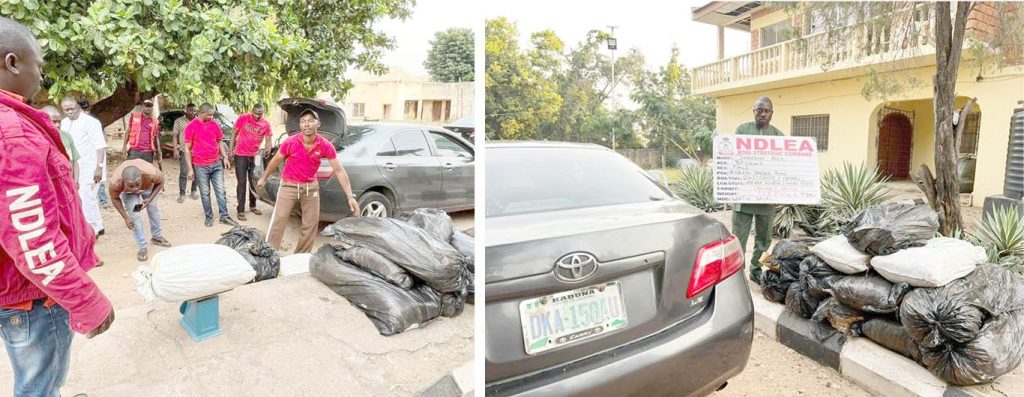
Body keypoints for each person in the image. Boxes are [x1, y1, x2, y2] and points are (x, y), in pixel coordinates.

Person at [0, 16, 115, 396]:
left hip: (20, 289)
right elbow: (32, 236)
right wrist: (87, 301)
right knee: (39, 385)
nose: (41, 76)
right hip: (33, 298)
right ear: (13, 62)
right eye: (39, 66)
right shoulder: (11, 134)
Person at [257, 109, 359, 253]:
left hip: (310, 187)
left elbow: (339, 170)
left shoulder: (325, 145)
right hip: (289, 185)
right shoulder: (291, 142)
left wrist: (350, 196)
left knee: (310, 224)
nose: (307, 124)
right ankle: (270, 253)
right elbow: (275, 160)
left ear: (318, 124)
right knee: (279, 220)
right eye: (303, 121)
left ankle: (300, 256)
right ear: (300, 125)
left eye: (311, 121)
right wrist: (263, 178)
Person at [731, 96, 784, 284]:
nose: (762, 114)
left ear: (771, 113)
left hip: (766, 201)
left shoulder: (779, 136)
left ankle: (755, 268)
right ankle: (736, 272)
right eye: (758, 110)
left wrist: (779, 192)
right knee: (738, 240)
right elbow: (733, 159)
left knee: (764, 240)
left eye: (766, 110)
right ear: (753, 111)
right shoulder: (742, 130)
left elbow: (783, 168)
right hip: (744, 200)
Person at [185, 103, 238, 227]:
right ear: (201, 113)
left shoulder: (214, 124)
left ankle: (224, 216)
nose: (211, 117)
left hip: (216, 163)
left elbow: (219, 141)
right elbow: (187, 149)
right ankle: (209, 217)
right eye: (209, 115)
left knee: (220, 191)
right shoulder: (191, 127)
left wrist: (224, 157)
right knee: (205, 193)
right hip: (200, 166)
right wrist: (189, 169)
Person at [108, 159, 172, 261]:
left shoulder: (151, 173)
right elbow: (115, 198)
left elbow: (161, 181)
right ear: (123, 182)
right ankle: (142, 246)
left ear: (141, 177)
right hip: (129, 195)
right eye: (131, 186)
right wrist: (126, 218)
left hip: (148, 188)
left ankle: (157, 237)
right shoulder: (115, 183)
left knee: (153, 210)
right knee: (135, 216)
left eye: (137, 184)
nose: (135, 189)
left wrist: (150, 199)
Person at [60, 97, 106, 237]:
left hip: (90, 167)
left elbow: (100, 146)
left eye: (72, 109)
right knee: (85, 197)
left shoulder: (91, 122)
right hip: (74, 168)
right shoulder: (63, 123)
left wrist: (99, 167)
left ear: (78, 107)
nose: (69, 112)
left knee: (87, 198)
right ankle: (99, 225)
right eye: (66, 110)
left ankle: (92, 230)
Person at [228, 104, 271, 221]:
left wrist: (268, 149)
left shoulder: (266, 124)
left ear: (263, 113)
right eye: (255, 113)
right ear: (252, 111)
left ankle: (253, 206)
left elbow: (268, 140)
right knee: (241, 182)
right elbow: (233, 133)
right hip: (240, 155)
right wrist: (230, 150)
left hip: (255, 156)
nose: (257, 116)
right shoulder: (243, 118)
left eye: (260, 114)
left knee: (254, 181)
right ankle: (240, 210)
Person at [42, 105, 79, 180]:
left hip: (69, 183)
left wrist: (76, 182)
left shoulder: (67, 136)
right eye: (54, 121)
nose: (58, 125)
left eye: (59, 121)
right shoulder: (39, 139)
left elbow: (75, 161)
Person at [121, 98, 162, 164]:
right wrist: (124, 147)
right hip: (134, 151)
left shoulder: (155, 121)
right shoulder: (134, 117)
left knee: (147, 173)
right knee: (132, 171)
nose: (148, 108)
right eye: (146, 106)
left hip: (148, 152)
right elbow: (128, 131)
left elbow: (156, 138)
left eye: (150, 106)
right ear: (143, 107)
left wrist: (159, 153)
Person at [173, 103, 199, 203]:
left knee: (197, 171)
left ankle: (193, 191)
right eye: (190, 110)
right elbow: (175, 136)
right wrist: (175, 149)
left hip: (197, 151)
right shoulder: (179, 121)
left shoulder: (198, 121)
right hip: (184, 150)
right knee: (184, 171)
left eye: (194, 110)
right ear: (186, 110)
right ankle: (182, 194)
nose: (192, 112)